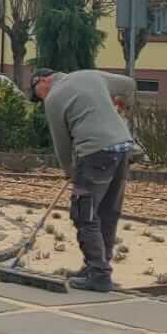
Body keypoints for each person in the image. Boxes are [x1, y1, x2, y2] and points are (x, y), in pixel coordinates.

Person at [31, 67, 136, 292]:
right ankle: (96, 266)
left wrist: (68, 170)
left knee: (84, 213)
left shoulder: (53, 98)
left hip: (94, 152)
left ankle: (98, 274)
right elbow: (129, 84)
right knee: (107, 211)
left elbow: (61, 142)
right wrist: (122, 106)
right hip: (123, 148)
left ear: (43, 80)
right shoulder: (90, 75)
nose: (39, 98)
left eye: (36, 92)